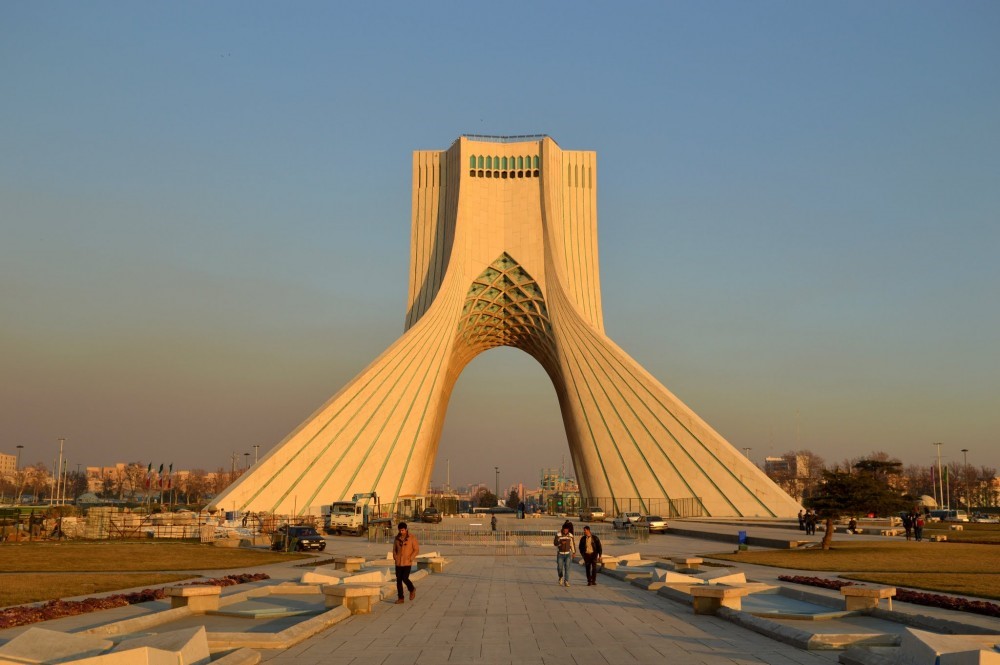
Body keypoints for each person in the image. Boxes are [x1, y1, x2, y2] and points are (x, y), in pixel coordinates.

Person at [392, 522, 419, 604]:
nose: (401, 532)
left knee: (405, 578)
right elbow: (394, 549)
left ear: (406, 529)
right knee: (399, 581)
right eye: (400, 530)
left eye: (403, 530)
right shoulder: (397, 538)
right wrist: (396, 558)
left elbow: (416, 549)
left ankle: (412, 589)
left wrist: (411, 558)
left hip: (407, 562)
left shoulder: (412, 538)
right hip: (398, 563)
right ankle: (401, 598)